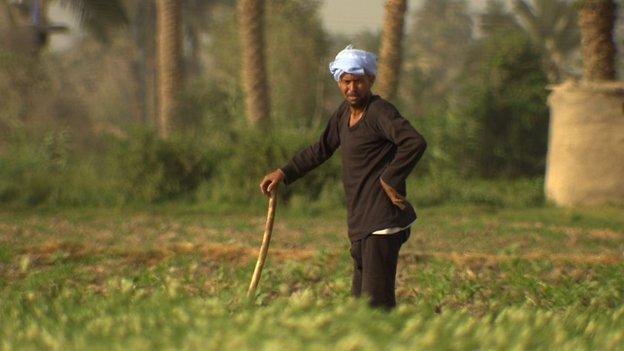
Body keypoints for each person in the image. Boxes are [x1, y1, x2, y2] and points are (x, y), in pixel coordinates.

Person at [259, 45, 427, 309]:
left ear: (370, 80)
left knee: (376, 307)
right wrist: (284, 172)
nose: (351, 88)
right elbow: (321, 149)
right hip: (361, 223)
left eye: (358, 81)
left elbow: (413, 142)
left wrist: (390, 179)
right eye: (345, 81)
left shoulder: (379, 112)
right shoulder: (343, 114)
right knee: (360, 307)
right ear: (339, 81)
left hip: (382, 222)